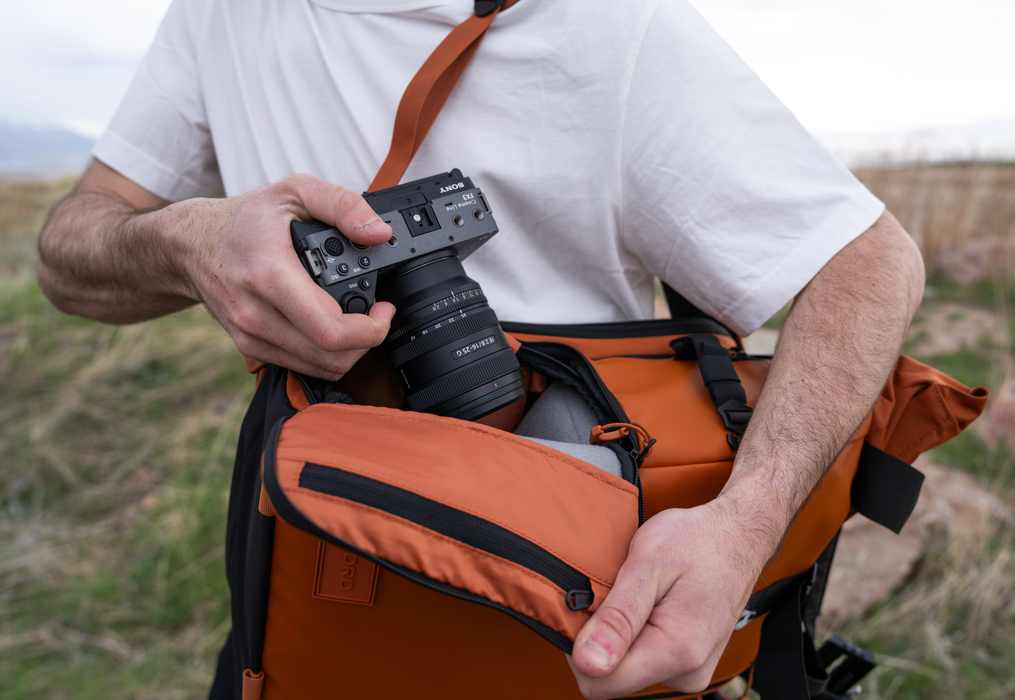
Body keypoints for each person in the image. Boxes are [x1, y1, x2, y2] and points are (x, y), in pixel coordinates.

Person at [36, 0, 924, 697]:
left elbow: (867, 262)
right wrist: (186, 242)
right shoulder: (220, 13)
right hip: (306, 561)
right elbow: (71, 252)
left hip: (569, 576)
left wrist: (743, 528)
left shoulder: (607, 23)